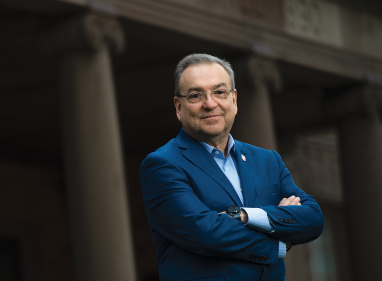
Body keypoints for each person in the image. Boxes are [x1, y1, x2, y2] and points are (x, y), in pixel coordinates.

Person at [139, 54, 324, 281]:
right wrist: (279, 243)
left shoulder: (267, 161)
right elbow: (207, 233)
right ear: (179, 107)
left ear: (234, 100)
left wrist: (245, 216)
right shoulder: (162, 165)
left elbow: (313, 218)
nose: (210, 103)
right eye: (196, 95)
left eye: (219, 92)